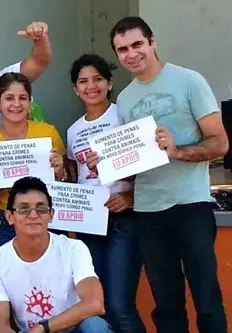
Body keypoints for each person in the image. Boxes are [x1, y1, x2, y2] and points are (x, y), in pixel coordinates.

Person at [87, 17, 229, 333]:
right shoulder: (123, 99)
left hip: (191, 204)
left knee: (206, 298)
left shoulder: (189, 81)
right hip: (148, 211)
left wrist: (178, 152)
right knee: (166, 304)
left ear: (152, 42)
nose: (131, 54)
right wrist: (107, 164)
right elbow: (131, 161)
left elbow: (220, 143)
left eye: (137, 44)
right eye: (122, 49)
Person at [66, 54, 144, 333]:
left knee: (121, 305)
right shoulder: (73, 131)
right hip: (90, 227)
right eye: (83, 81)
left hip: (124, 218)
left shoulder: (123, 115)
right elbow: (78, 179)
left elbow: (147, 165)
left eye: (98, 79)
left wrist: (130, 197)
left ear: (109, 83)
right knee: (99, 304)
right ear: (75, 89)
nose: (91, 86)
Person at [0, 177, 112, 333]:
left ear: (51, 214)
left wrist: (44, 327)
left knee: (95, 327)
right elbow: (1, 326)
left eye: (41, 208)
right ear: (9, 216)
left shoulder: (73, 248)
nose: (33, 215)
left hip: (71, 329)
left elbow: (95, 303)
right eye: (23, 209)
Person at [0, 73, 67, 250]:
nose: (16, 104)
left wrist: (60, 171)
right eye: (9, 98)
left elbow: (67, 183)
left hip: (44, 218)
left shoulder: (48, 133)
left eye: (22, 98)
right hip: (4, 223)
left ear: (30, 101)